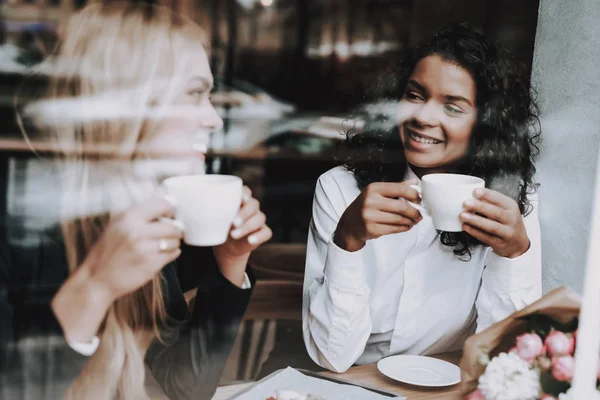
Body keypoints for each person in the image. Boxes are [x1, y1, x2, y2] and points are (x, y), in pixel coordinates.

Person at [0, 3, 272, 399]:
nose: (214, 119)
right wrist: (94, 285)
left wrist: (230, 262)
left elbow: (184, 389)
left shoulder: (139, 212)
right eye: (195, 94)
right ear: (127, 102)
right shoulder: (18, 224)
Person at [303, 22, 542, 373]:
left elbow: (507, 364)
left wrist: (514, 256)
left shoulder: (511, 204)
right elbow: (331, 357)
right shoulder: (340, 190)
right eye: (414, 95)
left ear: (485, 126)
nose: (423, 116)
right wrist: (348, 240)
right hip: (348, 386)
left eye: (453, 107)